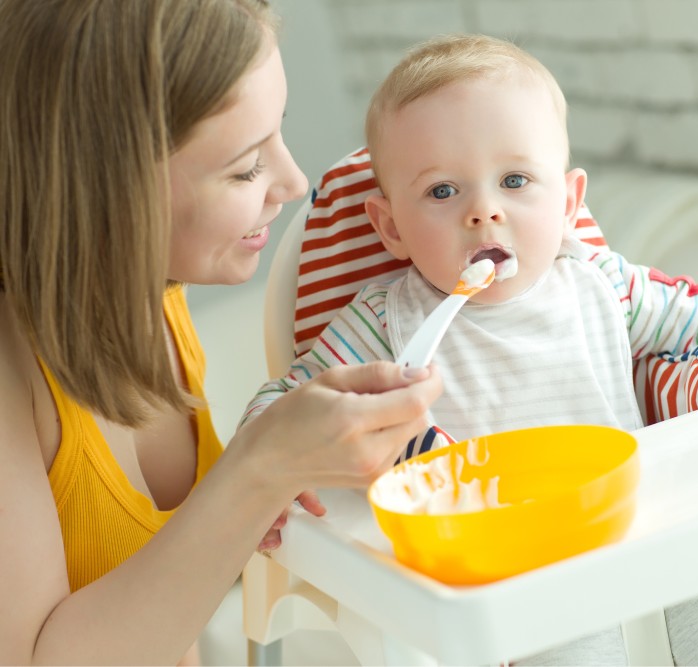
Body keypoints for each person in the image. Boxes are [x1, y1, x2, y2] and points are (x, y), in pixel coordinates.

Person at [242, 34, 698, 665]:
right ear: (390, 227)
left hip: (657, 521)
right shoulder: (387, 326)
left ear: (568, 200)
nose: (483, 212)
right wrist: (267, 475)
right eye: (443, 191)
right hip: (527, 573)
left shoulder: (598, 284)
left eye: (516, 180)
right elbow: (288, 403)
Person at [0, 1, 444, 664]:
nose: (294, 183)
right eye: (244, 168)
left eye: (277, 137)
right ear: (113, 189)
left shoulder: (148, 300)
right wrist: (262, 464)